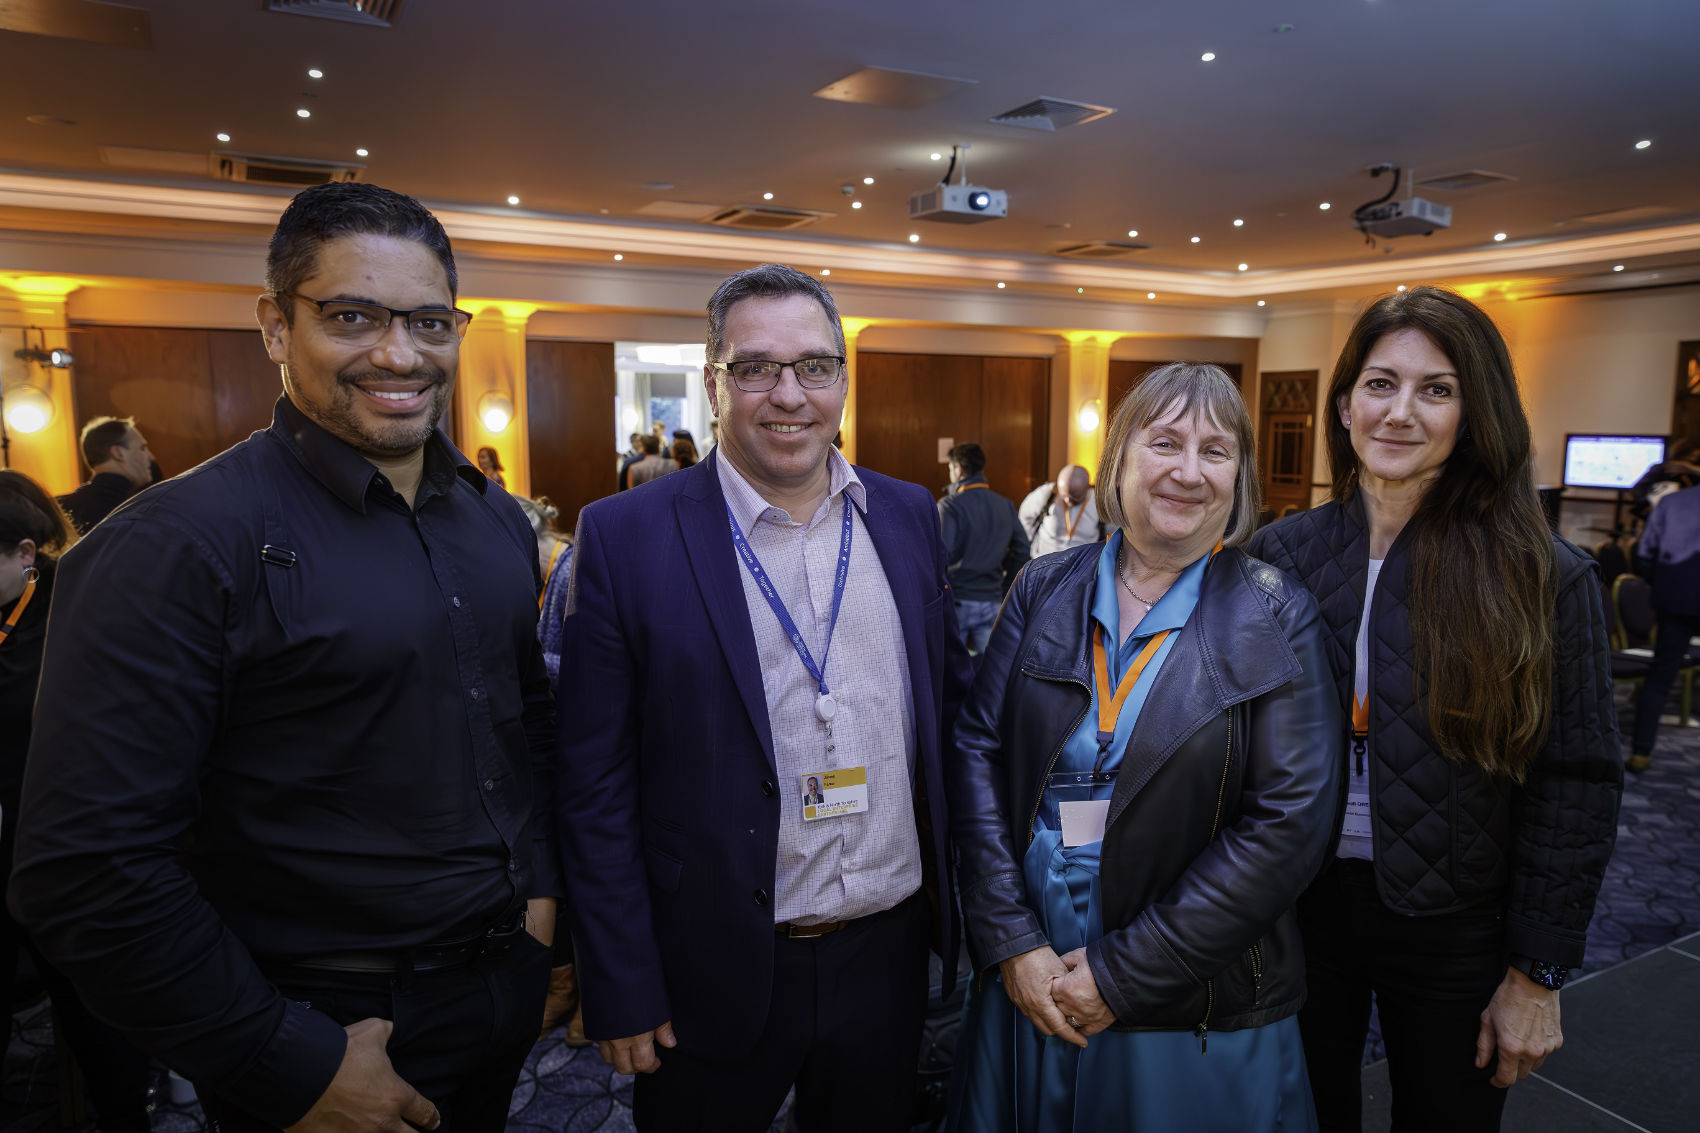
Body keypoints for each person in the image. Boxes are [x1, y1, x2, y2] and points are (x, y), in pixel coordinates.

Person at [10, 181, 562, 1132]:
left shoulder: (492, 519)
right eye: (352, 315)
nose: (398, 351)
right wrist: (285, 1061)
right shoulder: (175, 542)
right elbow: (87, 869)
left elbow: (524, 728)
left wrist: (543, 910)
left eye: (429, 321)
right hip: (323, 1020)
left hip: (500, 981)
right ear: (276, 327)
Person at [557, 263, 973, 1132]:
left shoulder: (904, 516)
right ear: (714, 381)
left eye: (814, 367)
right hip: (710, 952)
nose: (789, 394)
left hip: (885, 945)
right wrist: (619, 979)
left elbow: (949, 714)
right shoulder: (625, 535)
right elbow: (592, 783)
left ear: (843, 381)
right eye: (755, 368)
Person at [1246, 287, 1622, 1132]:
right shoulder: (1281, 555)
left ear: (1473, 410)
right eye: (1381, 384)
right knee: (1300, 1114)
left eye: (1436, 389)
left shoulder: (1541, 574)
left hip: (1457, 919)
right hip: (1298, 908)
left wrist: (1538, 974)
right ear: (1344, 403)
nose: (1401, 412)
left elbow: (1578, 783)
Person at [948, 362, 1341, 1131]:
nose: (1187, 472)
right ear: (1121, 457)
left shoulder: (1278, 612)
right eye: (1165, 442)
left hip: (1185, 990)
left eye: (1216, 450)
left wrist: (1124, 972)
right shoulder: (1042, 587)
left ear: (1241, 476)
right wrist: (1008, 938)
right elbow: (977, 753)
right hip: (1030, 959)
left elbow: (1289, 825)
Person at [1, 471, 156, 1133]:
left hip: (77, 853)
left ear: (24, 555)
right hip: (7, 848)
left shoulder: (82, 601)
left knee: (103, 1034)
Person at [1628, 480, 1700, 772]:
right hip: (1677, 596)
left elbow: (1644, 556)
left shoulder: (1672, 503)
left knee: (1660, 677)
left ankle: (1641, 753)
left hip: (1676, 598)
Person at [938, 442, 1030, 653]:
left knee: (951, 672)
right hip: (993, 599)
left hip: (959, 599)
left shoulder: (950, 505)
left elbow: (942, 555)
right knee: (989, 673)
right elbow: (1023, 550)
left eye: (950, 469)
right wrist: (1006, 585)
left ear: (958, 469)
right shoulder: (1005, 504)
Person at [57, 415, 154, 533]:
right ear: (118, 453)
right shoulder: (140, 509)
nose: (151, 457)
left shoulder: (59, 509)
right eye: (142, 448)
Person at [1019, 464, 1104, 559]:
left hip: (1083, 566)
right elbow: (1024, 517)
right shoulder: (1047, 494)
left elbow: (1112, 533)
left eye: (1074, 498)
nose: (1067, 501)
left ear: (1087, 488)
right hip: (1043, 563)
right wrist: (1028, 543)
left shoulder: (1099, 502)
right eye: (1064, 496)